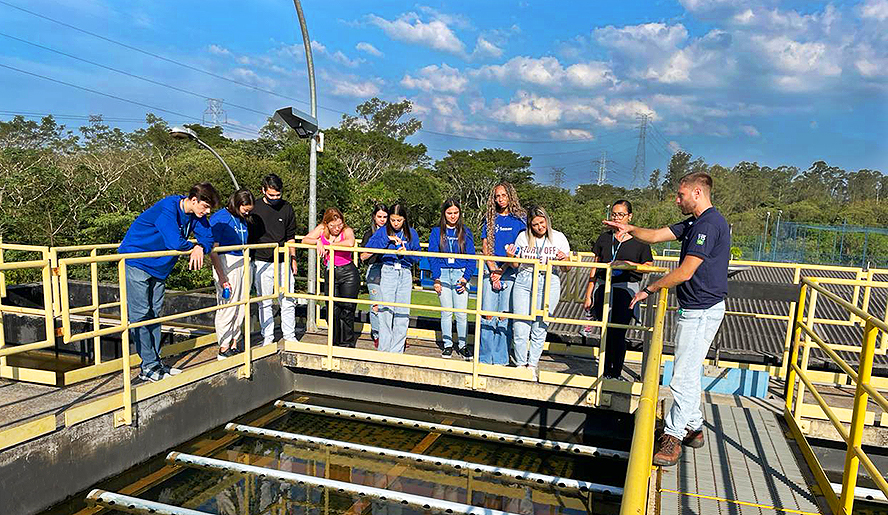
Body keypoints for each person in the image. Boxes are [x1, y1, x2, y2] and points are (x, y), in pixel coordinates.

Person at [604, 171, 729, 467]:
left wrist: (649, 288)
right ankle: (695, 427)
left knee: (681, 376)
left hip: (701, 310)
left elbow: (685, 272)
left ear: (697, 193)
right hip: (696, 308)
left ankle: (673, 437)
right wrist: (628, 227)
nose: (677, 200)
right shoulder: (695, 222)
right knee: (688, 371)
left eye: (680, 195)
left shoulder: (709, 225)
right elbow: (658, 235)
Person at [118, 183, 219, 382]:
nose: (206, 212)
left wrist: (201, 247)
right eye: (205, 207)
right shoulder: (168, 207)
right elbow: (175, 242)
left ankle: (155, 362)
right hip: (137, 261)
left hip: (160, 266)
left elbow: (208, 237)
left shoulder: (197, 216)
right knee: (141, 315)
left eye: (209, 209)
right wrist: (195, 246)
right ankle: (148, 366)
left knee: (155, 314)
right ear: (193, 200)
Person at [584, 200, 654, 379]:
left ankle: (615, 372)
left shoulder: (640, 241)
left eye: (621, 215)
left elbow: (648, 265)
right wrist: (588, 294)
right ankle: (605, 371)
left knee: (618, 331)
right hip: (604, 287)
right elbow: (595, 265)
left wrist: (630, 265)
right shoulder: (604, 238)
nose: (617, 218)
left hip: (626, 289)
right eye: (614, 214)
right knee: (605, 330)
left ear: (629, 216)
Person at [507, 206, 571, 379]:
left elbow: (567, 268)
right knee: (521, 324)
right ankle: (520, 365)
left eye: (542, 223)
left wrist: (564, 259)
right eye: (535, 225)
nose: (539, 227)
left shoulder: (558, 237)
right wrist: (511, 256)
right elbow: (515, 265)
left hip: (549, 280)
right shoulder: (523, 237)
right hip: (525, 279)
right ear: (530, 225)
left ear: (547, 221)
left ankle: (532, 364)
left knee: (540, 325)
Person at [479, 182, 526, 365]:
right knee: (488, 315)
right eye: (497, 196)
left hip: (510, 270)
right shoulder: (490, 219)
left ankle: (501, 359)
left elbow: (519, 248)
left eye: (503, 195)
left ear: (510, 196)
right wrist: (492, 269)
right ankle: (484, 358)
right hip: (490, 270)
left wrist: (502, 269)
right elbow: (485, 246)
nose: (500, 199)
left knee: (504, 316)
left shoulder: (519, 219)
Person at [249, 174, 299, 346]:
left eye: (278, 195)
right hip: (262, 261)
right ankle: (268, 337)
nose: (275, 198)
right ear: (263, 190)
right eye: (271, 195)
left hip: (283, 260)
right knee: (265, 300)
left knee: (288, 299)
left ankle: (289, 336)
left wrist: (293, 258)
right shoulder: (255, 207)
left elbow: (290, 236)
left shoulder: (287, 208)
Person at [364, 203, 421, 353]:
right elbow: (365, 254)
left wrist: (407, 252)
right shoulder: (382, 232)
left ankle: (397, 351)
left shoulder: (411, 233)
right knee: (385, 312)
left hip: (405, 272)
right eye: (393, 220)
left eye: (399, 220)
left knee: (402, 313)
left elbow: (418, 257)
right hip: (388, 271)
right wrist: (386, 241)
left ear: (404, 219)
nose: (395, 223)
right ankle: (384, 349)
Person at [302, 208, 359, 348]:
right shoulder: (322, 229)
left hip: (348, 273)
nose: (336, 228)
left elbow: (350, 242)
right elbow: (305, 239)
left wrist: (330, 245)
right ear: (326, 223)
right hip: (331, 271)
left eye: (339, 224)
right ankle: (333, 342)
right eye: (332, 226)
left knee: (347, 309)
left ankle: (347, 343)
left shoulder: (346, 230)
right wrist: (317, 242)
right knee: (332, 309)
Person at [428, 199, 476, 359]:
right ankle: (447, 345)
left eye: (456, 213)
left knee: (461, 314)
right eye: (449, 213)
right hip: (442, 273)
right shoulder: (436, 232)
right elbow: (432, 256)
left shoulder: (466, 232)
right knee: (446, 312)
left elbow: (471, 258)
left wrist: (465, 278)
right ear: (444, 214)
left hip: (460, 274)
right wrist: (436, 278)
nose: (453, 216)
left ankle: (463, 346)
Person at [209, 189, 254, 360]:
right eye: (245, 209)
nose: (247, 212)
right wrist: (221, 276)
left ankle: (235, 341)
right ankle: (223, 345)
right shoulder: (220, 218)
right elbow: (213, 250)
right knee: (228, 304)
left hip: (243, 260)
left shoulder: (241, 219)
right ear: (237, 204)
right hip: (227, 262)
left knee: (241, 304)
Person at [360, 204, 388, 348]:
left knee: (391, 304)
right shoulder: (369, 234)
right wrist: (377, 247)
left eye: (385, 217)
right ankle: (377, 335)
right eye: (379, 217)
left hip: (390, 270)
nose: (382, 220)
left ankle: (391, 334)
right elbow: (363, 256)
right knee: (376, 304)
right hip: (375, 270)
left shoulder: (393, 233)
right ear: (374, 217)